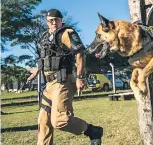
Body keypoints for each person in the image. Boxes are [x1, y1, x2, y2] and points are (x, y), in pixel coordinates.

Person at [27, 9, 103, 145]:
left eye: (56, 20)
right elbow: (45, 59)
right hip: (48, 85)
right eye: (50, 21)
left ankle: (92, 131)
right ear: (47, 22)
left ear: (61, 21)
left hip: (62, 82)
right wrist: (36, 71)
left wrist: (80, 77)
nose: (54, 22)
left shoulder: (67, 33)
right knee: (43, 122)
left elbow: (80, 53)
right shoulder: (45, 36)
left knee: (59, 121)